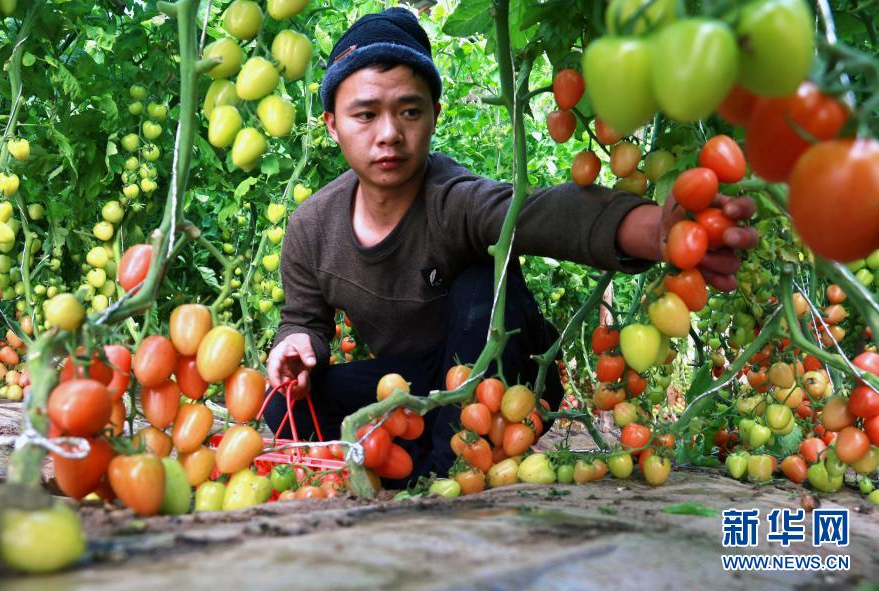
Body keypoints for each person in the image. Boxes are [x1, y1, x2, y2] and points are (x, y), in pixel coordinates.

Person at [264, 7, 758, 482]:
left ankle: (446, 470)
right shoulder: (312, 227)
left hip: (504, 374)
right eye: (365, 115)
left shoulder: (453, 200)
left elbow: (543, 215)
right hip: (423, 385)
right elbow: (304, 320)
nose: (389, 134)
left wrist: (656, 233)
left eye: (408, 111)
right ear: (332, 124)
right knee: (282, 401)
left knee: (481, 281)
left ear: (434, 115)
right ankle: (440, 450)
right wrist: (297, 345)